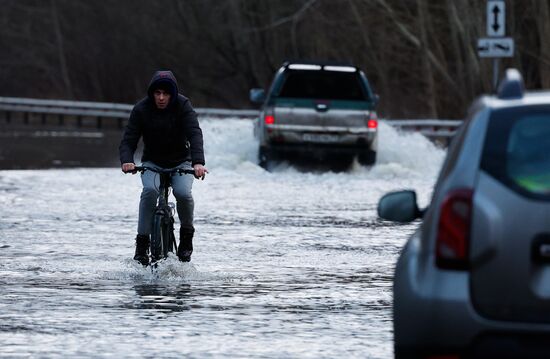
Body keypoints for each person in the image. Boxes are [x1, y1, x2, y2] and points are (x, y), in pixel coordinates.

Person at [119, 70, 207, 265]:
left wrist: (198, 162)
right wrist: (127, 160)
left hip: (181, 162)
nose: (161, 98)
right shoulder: (141, 109)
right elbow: (128, 140)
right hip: (152, 162)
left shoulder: (183, 106)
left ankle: (186, 237)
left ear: (172, 94)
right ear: (152, 93)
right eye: (157, 93)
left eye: (165, 94)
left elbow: (194, 134)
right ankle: (141, 245)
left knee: (183, 193)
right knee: (149, 191)